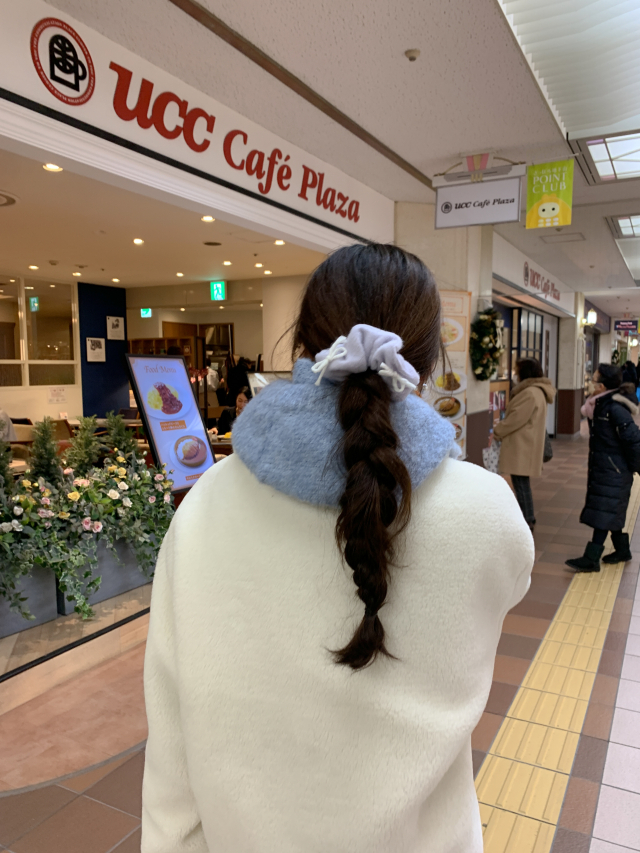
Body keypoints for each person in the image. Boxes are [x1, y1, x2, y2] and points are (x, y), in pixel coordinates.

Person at [141, 244, 534, 853]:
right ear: (427, 361)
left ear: (303, 346)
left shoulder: (205, 504)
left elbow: (170, 747)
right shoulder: (487, 511)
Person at [566, 364, 640, 572]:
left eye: (594, 380)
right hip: (607, 466)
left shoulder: (614, 409)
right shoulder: (600, 405)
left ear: (602, 386)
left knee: (604, 511)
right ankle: (622, 550)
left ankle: (591, 558)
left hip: (615, 469)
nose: (590, 383)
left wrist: (634, 467)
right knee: (609, 509)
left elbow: (633, 440)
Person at [492, 357, 556, 530]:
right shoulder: (537, 391)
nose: (515, 373)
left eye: (517, 370)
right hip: (526, 443)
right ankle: (528, 518)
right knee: (521, 483)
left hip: (522, 445)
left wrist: (498, 431)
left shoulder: (529, 393)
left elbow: (516, 419)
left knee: (521, 485)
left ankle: (527, 519)